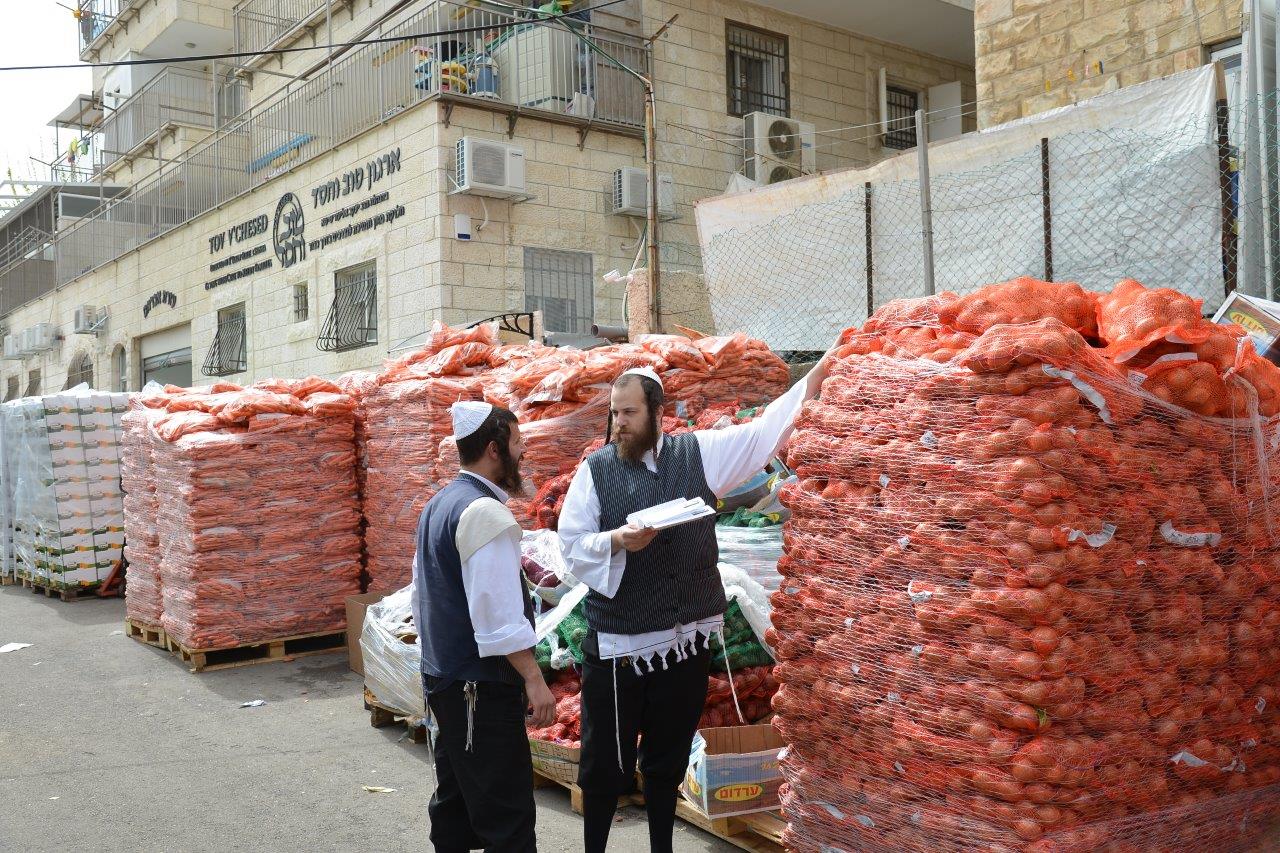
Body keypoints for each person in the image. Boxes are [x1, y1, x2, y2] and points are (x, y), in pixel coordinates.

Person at [557, 356, 834, 853]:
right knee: (605, 767)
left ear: (658, 412)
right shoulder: (594, 472)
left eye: (629, 413)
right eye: (615, 414)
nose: (619, 423)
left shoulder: (697, 455)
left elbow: (762, 433)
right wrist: (619, 540)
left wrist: (818, 373)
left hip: (685, 641)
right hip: (622, 644)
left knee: (666, 761)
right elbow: (572, 546)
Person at [412, 401, 556, 853]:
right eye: (517, 443)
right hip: (480, 690)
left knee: (455, 806)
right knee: (506, 820)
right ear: (494, 450)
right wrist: (534, 679)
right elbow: (496, 619)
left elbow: (422, 601)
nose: (523, 452)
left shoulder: (438, 504)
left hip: (446, 680)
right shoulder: (486, 514)